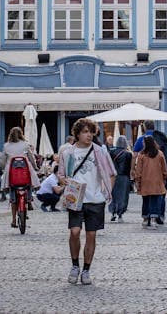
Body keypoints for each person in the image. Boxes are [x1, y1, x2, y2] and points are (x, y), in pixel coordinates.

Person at [57, 118, 116, 286]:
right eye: (85, 132)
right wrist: (64, 181)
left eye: (91, 131)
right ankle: (75, 265)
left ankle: (86, 270)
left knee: (91, 234)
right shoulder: (68, 153)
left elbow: (112, 173)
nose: (89, 135)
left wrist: (106, 193)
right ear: (77, 134)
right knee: (74, 232)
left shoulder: (100, 151)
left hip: (95, 199)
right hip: (76, 199)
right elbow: (61, 175)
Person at [3, 127, 41, 228]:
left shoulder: (6, 146)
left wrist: (3, 167)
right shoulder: (25, 145)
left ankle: (14, 220)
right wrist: (36, 167)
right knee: (28, 185)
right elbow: (31, 158)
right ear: (21, 134)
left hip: (11, 173)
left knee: (13, 197)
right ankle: (28, 201)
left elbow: (3, 161)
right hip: (25, 171)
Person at [132, 132, 167, 228]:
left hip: (145, 181)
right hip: (157, 181)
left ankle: (145, 219)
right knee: (155, 200)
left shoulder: (142, 155)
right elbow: (164, 168)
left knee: (145, 200)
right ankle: (153, 219)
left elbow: (139, 169)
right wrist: (165, 177)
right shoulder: (160, 154)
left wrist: (137, 180)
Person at [108, 135, 133, 222]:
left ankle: (113, 212)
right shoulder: (128, 154)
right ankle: (120, 214)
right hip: (124, 176)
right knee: (123, 196)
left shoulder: (111, 152)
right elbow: (130, 167)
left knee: (113, 195)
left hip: (113, 176)